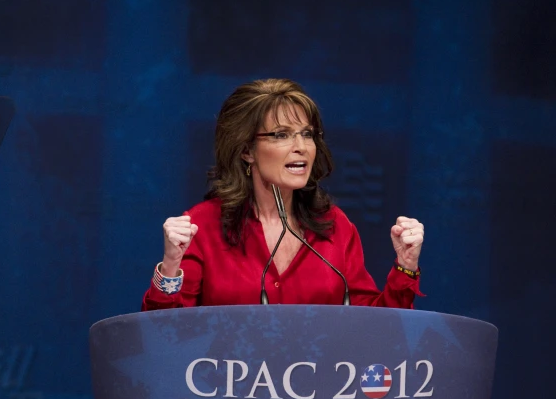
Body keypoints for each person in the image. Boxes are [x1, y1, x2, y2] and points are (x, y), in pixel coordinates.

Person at [142, 79, 424, 310]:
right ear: (246, 150)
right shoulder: (201, 226)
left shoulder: (335, 226)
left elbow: (377, 332)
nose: (301, 146)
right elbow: (165, 336)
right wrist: (170, 268)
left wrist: (406, 267)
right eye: (281, 135)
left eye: (307, 134)